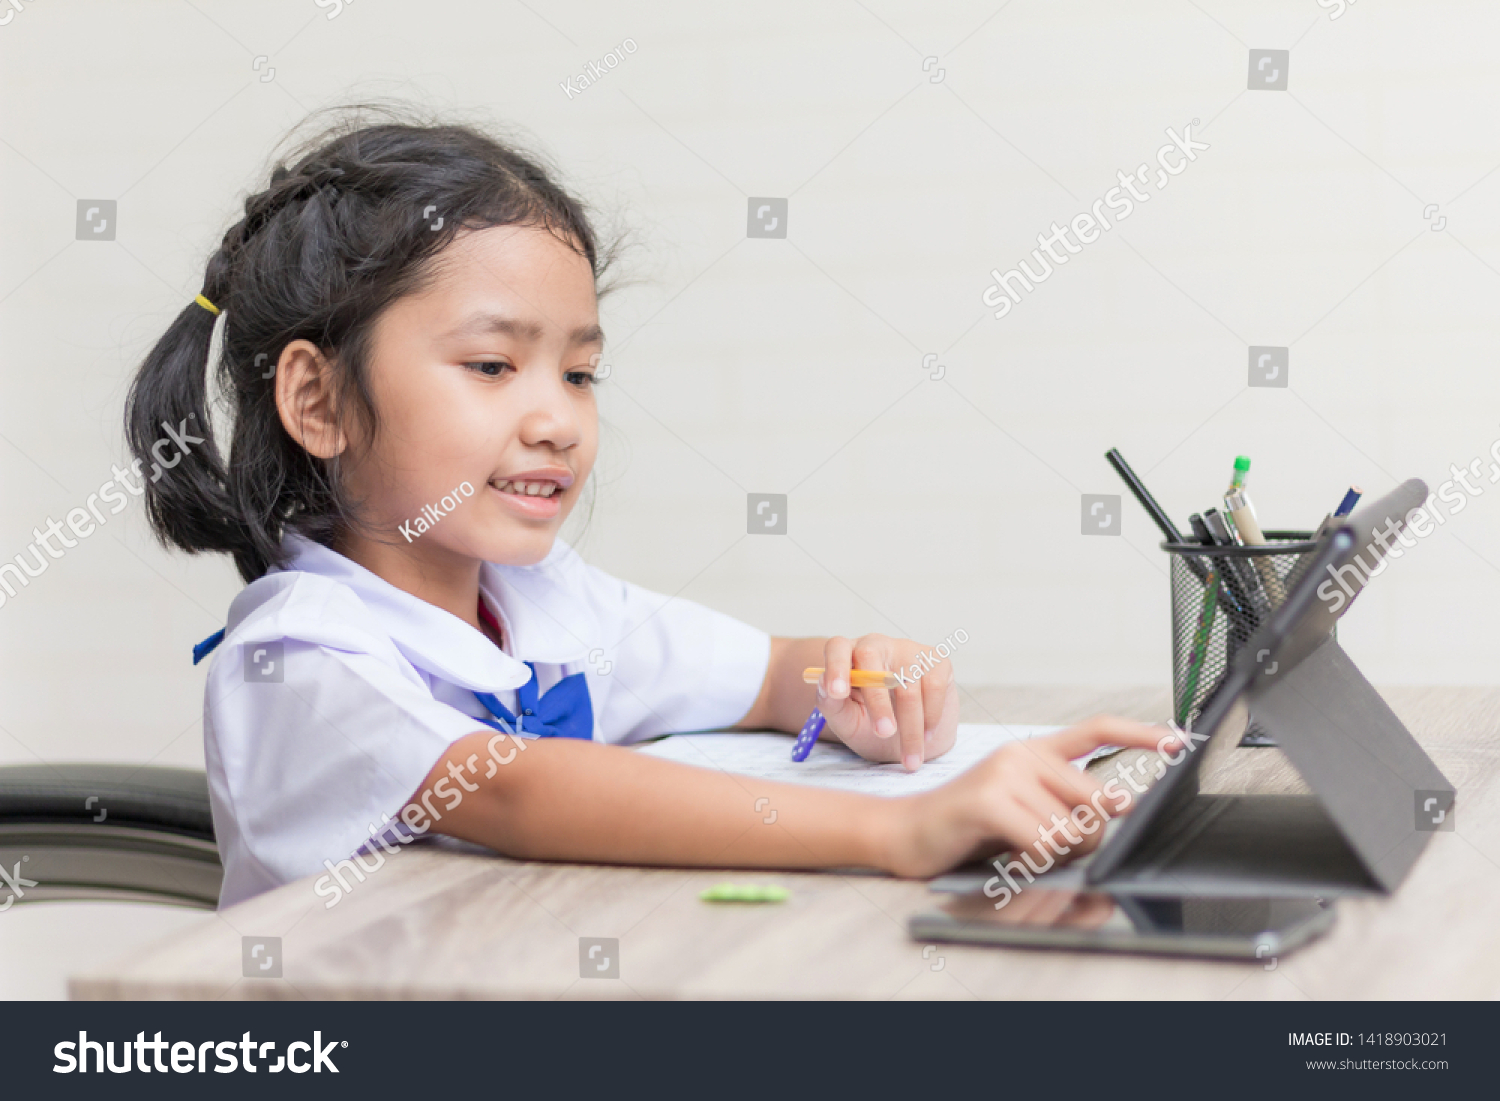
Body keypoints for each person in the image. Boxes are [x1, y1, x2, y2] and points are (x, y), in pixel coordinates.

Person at [124, 110, 1175, 908]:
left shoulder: (542, 602)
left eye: (579, 374)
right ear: (318, 399)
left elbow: (764, 675)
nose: (556, 421)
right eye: (492, 364)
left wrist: (849, 681)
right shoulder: (299, 659)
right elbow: (515, 789)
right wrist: (899, 830)